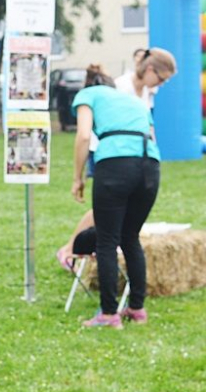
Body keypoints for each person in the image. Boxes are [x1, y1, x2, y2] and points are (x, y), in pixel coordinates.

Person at [71, 60, 175, 329]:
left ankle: (108, 314)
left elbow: (83, 136)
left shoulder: (88, 95)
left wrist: (77, 178)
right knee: (131, 237)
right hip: (150, 166)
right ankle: (137, 309)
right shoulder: (135, 102)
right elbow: (152, 136)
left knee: (106, 240)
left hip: (116, 164)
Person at [55, 49, 176, 271]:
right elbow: (95, 122)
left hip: (136, 156)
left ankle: (85, 251)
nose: (160, 84)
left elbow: (146, 126)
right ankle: (70, 249)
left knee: (117, 210)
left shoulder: (147, 92)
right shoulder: (120, 86)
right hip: (106, 152)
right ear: (150, 69)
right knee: (103, 210)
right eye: (160, 78)